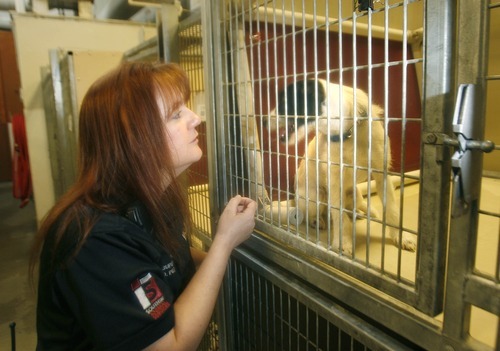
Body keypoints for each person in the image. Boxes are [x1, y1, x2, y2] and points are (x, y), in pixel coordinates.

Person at [29, 61, 257, 351]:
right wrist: (224, 242)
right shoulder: (93, 238)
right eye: (176, 114)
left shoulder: (152, 199)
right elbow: (169, 346)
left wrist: (233, 258)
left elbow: (172, 258)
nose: (196, 118)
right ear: (134, 140)